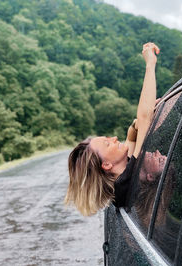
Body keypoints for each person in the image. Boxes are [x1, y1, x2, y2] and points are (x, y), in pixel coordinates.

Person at [65, 42, 160, 216]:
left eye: (108, 138)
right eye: (108, 144)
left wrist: (136, 124)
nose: (115, 138)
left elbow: (132, 137)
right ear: (107, 164)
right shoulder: (127, 182)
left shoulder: (123, 181)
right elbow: (145, 118)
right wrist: (150, 64)